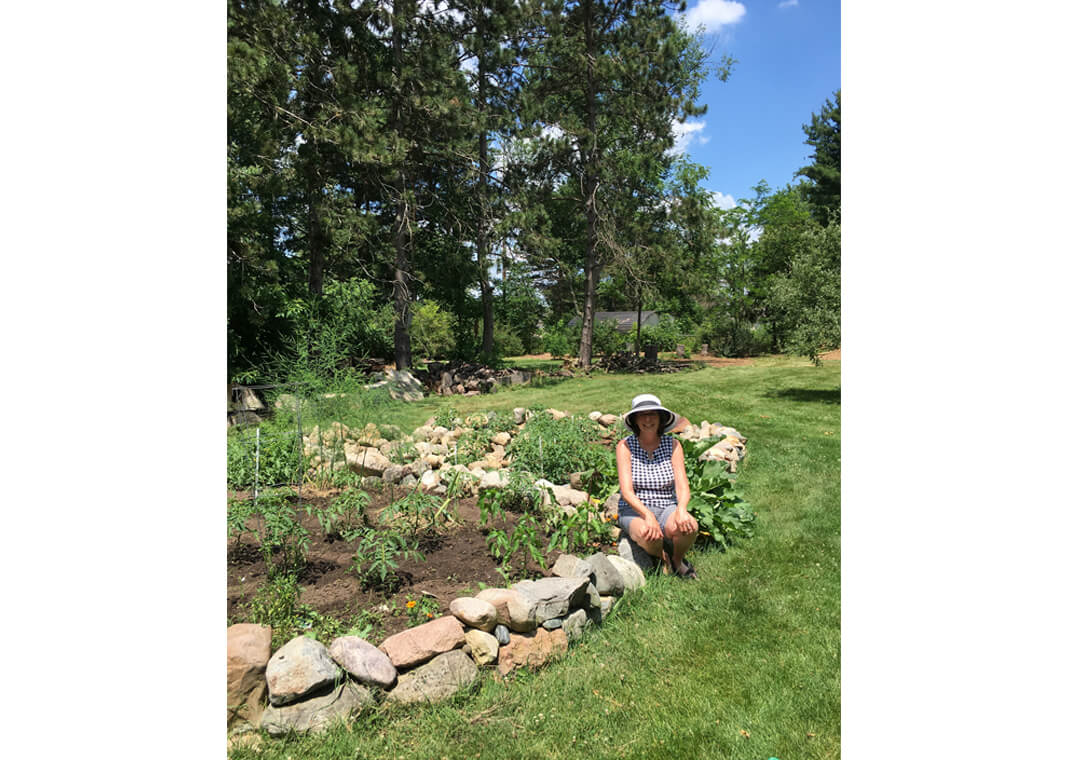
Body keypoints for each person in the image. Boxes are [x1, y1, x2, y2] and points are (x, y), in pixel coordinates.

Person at [615, 393, 699, 579]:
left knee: (690, 526)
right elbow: (627, 492)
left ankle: (677, 559)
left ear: (660, 418)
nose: (647, 419)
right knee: (648, 534)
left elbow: (682, 486)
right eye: (642, 414)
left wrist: (682, 510)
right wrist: (647, 515)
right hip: (633, 509)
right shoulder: (625, 446)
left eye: (652, 414)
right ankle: (661, 556)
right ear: (635, 420)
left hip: (666, 506)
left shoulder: (673, 445)